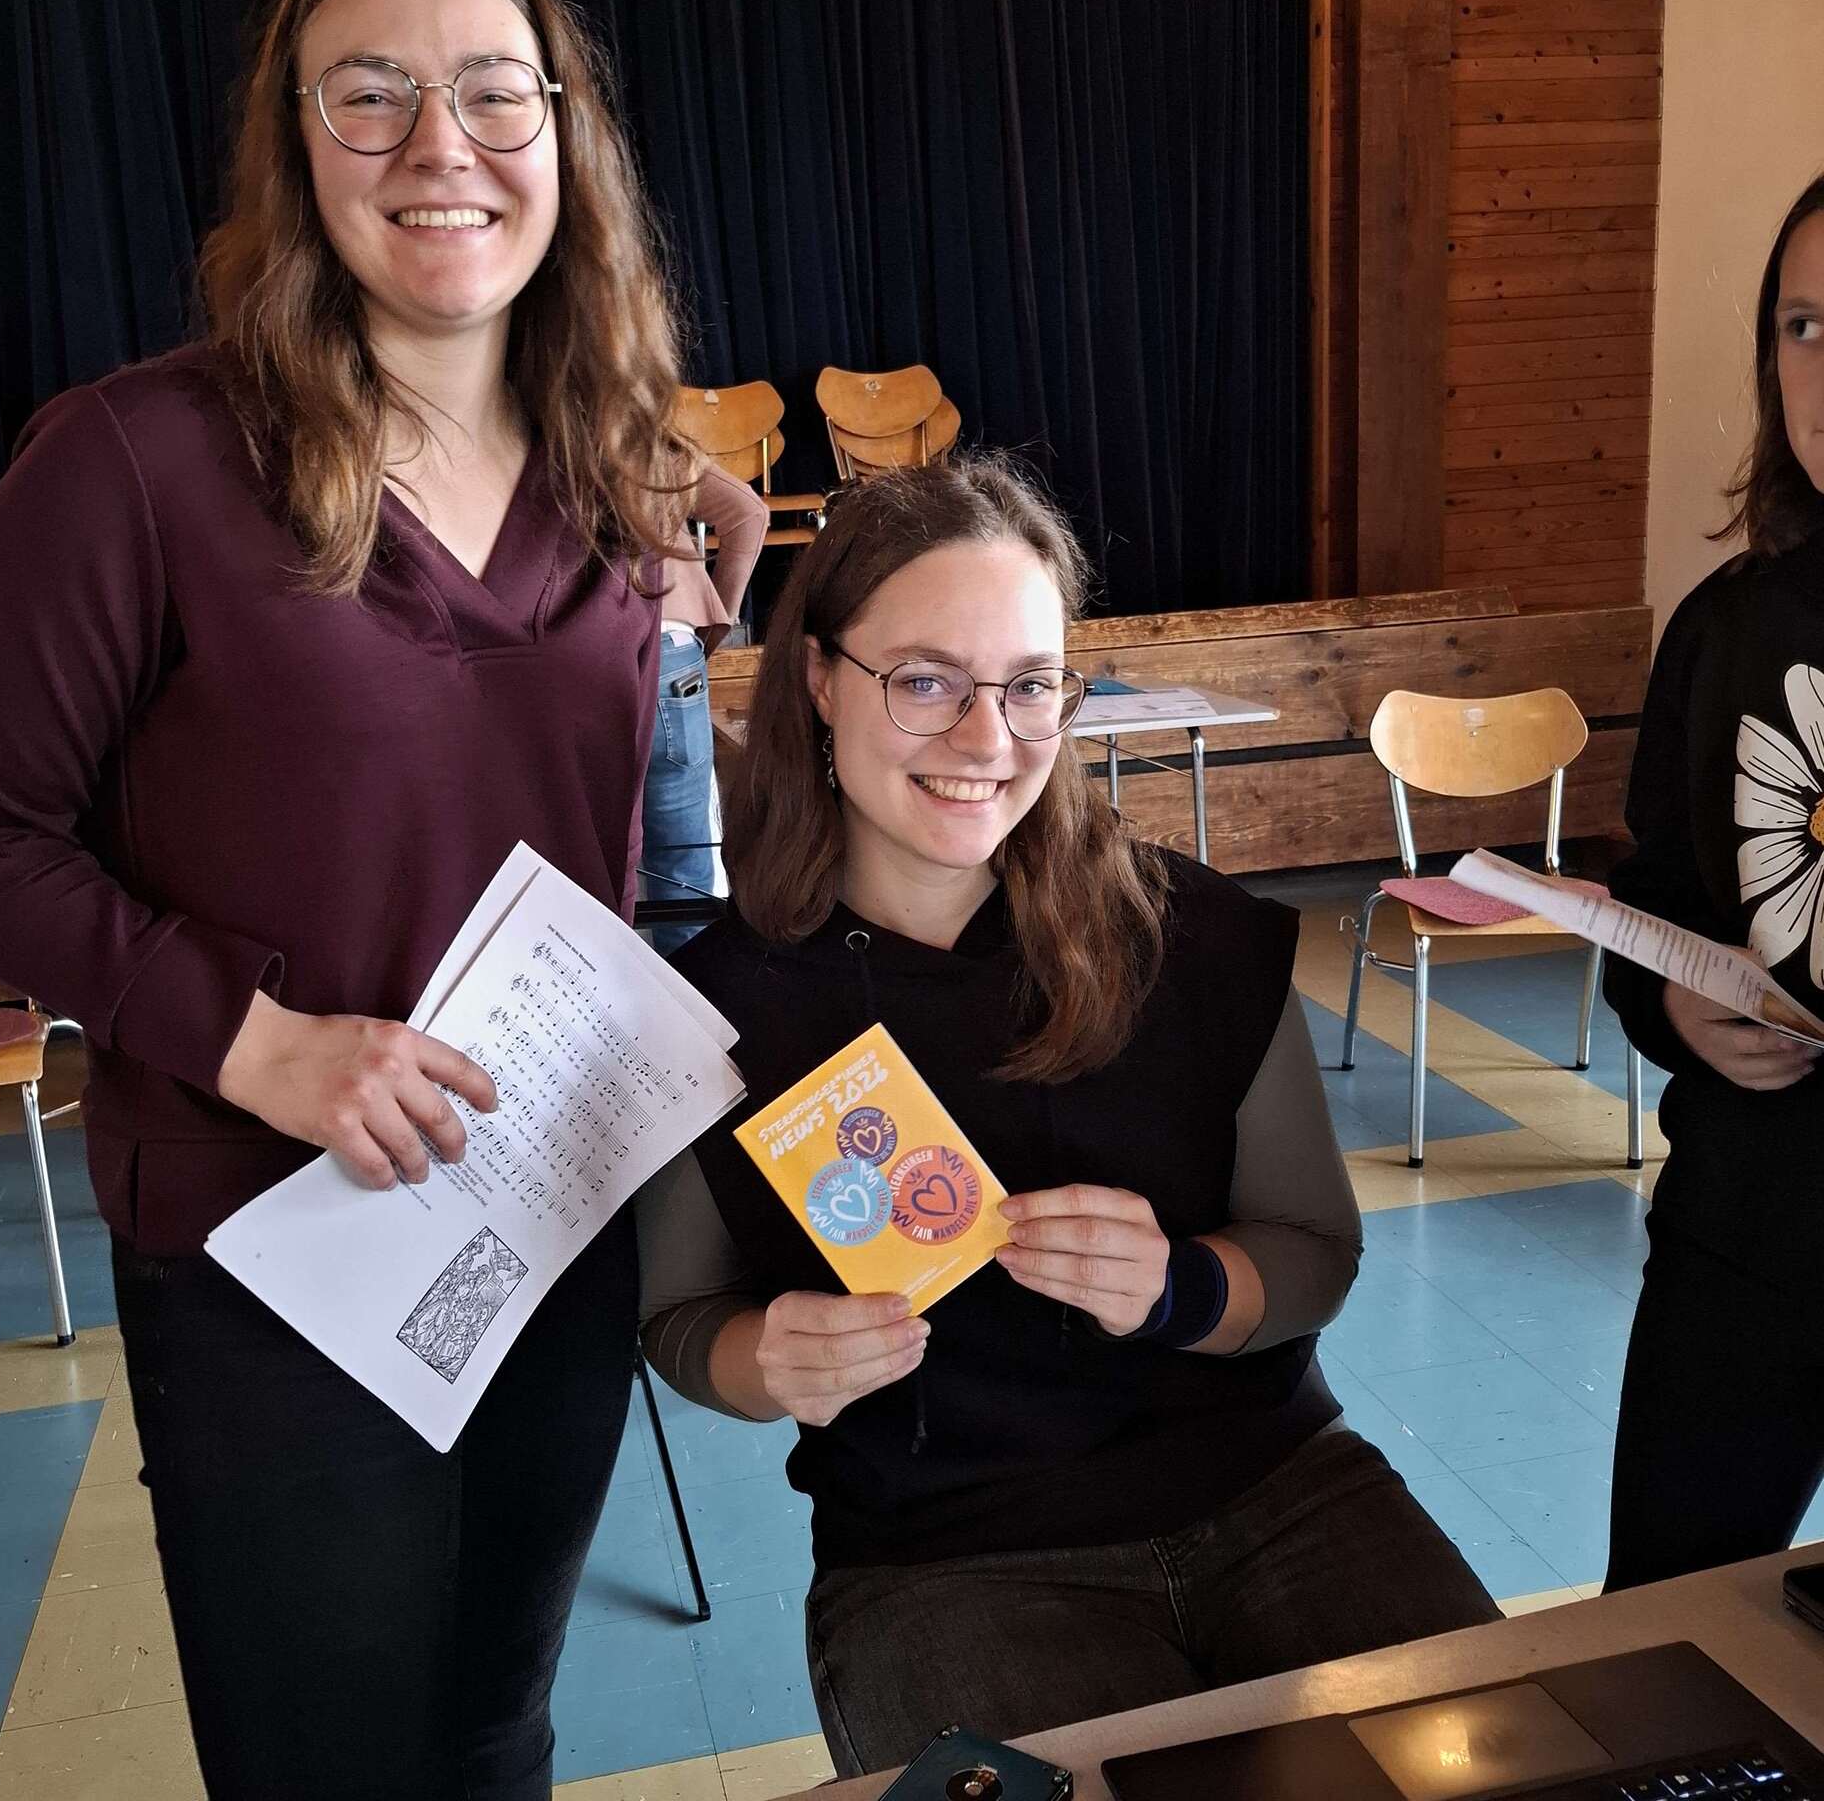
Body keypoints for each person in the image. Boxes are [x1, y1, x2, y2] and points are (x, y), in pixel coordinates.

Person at [0, 0, 695, 1800]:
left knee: (496, 1733)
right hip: (273, 1249)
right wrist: (260, 1043)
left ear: (566, 132)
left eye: (498, 91)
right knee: (323, 1762)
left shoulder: (616, 468)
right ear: (291, 139)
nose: (443, 147)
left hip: (544, 1219)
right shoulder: (136, 464)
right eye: (373, 94)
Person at [638, 453, 1499, 1774]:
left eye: (1029, 685)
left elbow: (1314, 1257)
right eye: (925, 681)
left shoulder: (1191, 937)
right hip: (945, 1557)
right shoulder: (716, 1009)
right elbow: (681, 1322)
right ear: (818, 676)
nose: (989, 742)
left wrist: (1185, 1289)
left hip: (1278, 1492)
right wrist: (768, 1364)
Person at [1602, 172, 1824, 1592]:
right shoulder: (1726, 625)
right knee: (1659, 1642)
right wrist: (1680, 1013)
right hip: (1746, 1239)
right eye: (1806, 324)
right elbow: (1656, 906)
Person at [641, 465, 768, 951]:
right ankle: (696, 1011)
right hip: (672, 645)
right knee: (686, 854)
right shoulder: (641, 434)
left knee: (591, 857)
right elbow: (747, 512)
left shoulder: (515, 428)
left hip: (577, 659)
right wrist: (720, 614)